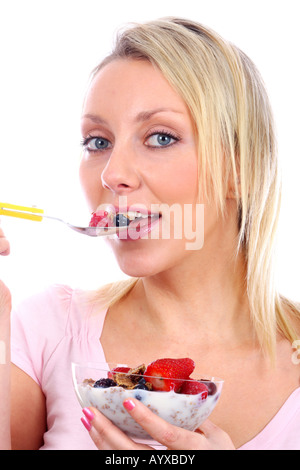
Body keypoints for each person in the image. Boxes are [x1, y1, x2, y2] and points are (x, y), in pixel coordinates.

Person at [1, 17, 300, 450]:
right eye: (98, 142)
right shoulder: (44, 331)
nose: (112, 173)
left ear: (241, 169)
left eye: (160, 137)